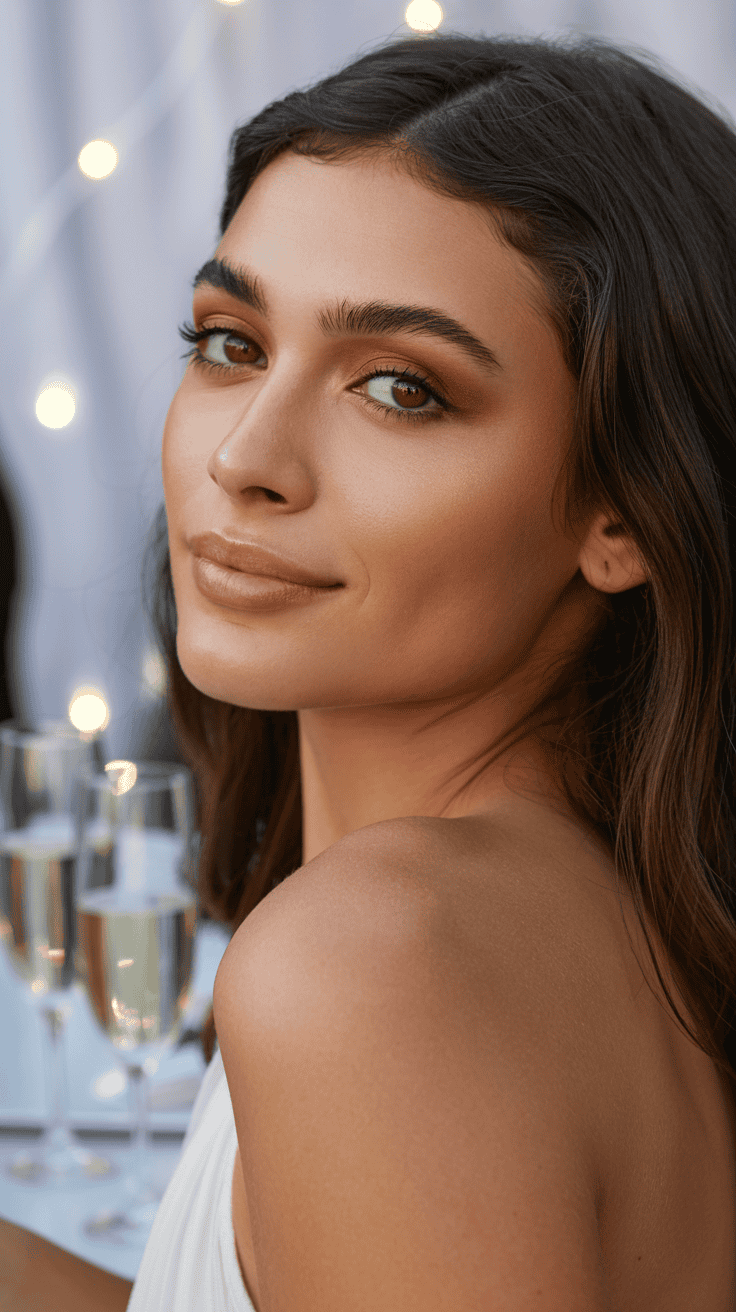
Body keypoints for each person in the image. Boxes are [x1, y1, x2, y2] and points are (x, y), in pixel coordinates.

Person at [3, 29, 736, 1311]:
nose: (248, 457)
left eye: (400, 387)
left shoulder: (371, 965)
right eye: (231, 342)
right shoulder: (583, 906)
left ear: (620, 509)